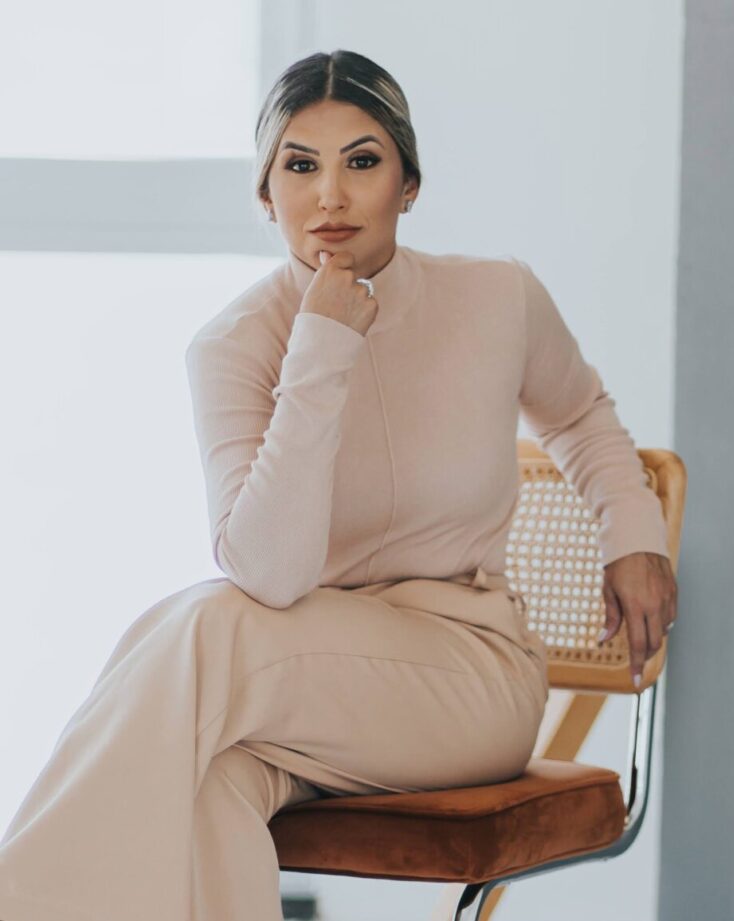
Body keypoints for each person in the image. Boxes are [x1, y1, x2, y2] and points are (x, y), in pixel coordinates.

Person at [0, 48, 677, 921]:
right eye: (299, 166)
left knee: (202, 623)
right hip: (309, 691)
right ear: (265, 194)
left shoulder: (497, 297)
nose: (330, 195)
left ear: (409, 184)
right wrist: (319, 347)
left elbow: (579, 413)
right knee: (212, 782)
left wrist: (633, 533)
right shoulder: (234, 345)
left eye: (362, 161)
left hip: (469, 678)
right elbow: (270, 572)